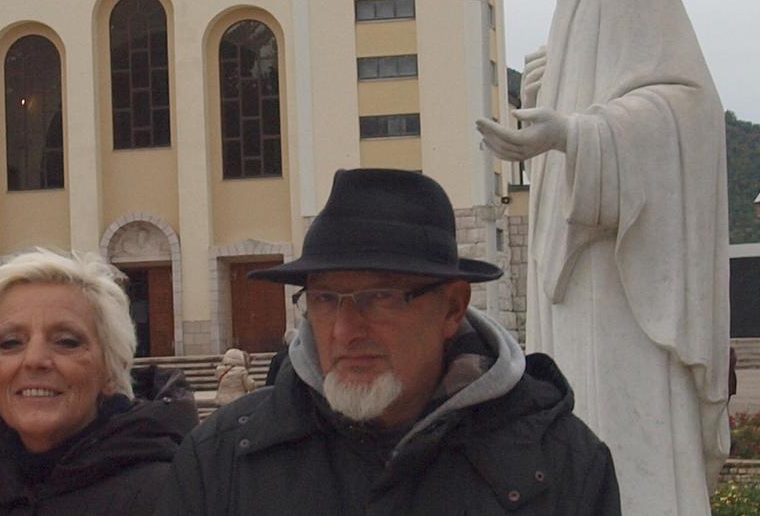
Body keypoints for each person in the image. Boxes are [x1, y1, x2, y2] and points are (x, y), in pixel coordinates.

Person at [476, 0, 730, 515]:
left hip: (623, 285)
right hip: (580, 281)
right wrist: (556, 97)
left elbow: (689, 112)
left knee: (626, 442)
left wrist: (576, 135)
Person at [158, 168, 620, 515]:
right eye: (324, 299)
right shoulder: (220, 459)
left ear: (453, 308)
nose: (343, 331)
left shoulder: (562, 465)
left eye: (378, 298)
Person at [0, 249, 198, 516]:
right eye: (10, 343)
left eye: (66, 341)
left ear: (111, 370)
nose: (34, 360)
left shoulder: (175, 497)